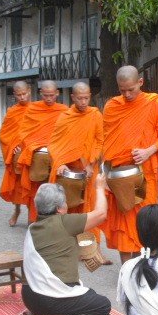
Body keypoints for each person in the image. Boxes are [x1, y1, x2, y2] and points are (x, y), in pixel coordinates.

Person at [101, 66, 158, 263]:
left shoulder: (155, 104)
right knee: (124, 224)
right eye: (122, 90)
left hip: (144, 173)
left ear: (140, 82)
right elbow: (106, 141)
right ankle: (126, 270)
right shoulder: (112, 106)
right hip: (119, 176)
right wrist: (104, 173)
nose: (127, 94)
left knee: (145, 221)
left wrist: (148, 151)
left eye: (131, 89)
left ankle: (143, 264)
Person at [21, 174, 111, 315]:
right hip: (49, 298)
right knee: (102, 305)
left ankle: (45, 312)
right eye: (65, 203)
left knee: (90, 294)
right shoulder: (64, 222)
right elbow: (101, 214)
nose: (67, 206)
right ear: (58, 208)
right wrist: (100, 187)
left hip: (30, 298)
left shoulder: (32, 227)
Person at [48, 81, 110, 263]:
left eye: (86, 98)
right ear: (72, 97)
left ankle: (93, 252)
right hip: (68, 174)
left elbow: (100, 140)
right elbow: (54, 144)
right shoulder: (65, 117)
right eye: (80, 98)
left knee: (90, 209)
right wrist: (60, 163)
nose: (83, 102)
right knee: (66, 211)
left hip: (90, 172)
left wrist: (91, 161)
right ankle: (65, 249)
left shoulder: (95, 115)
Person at [16, 81, 68, 221]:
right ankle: (33, 220)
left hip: (56, 157)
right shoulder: (33, 109)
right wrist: (34, 145)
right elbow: (24, 133)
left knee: (56, 190)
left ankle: (53, 222)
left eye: (52, 95)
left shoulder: (64, 111)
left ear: (57, 93)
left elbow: (68, 134)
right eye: (45, 95)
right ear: (40, 94)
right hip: (37, 156)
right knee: (36, 191)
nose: (49, 98)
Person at [0, 81, 32, 226]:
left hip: (31, 154)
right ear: (14, 95)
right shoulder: (12, 112)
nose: (22, 97)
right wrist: (13, 148)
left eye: (24, 94)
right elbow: (3, 135)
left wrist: (30, 147)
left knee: (32, 185)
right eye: (19, 95)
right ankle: (17, 210)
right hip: (17, 155)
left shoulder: (36, 110)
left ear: (29, 91)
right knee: (18, 186)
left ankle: (32, 215)